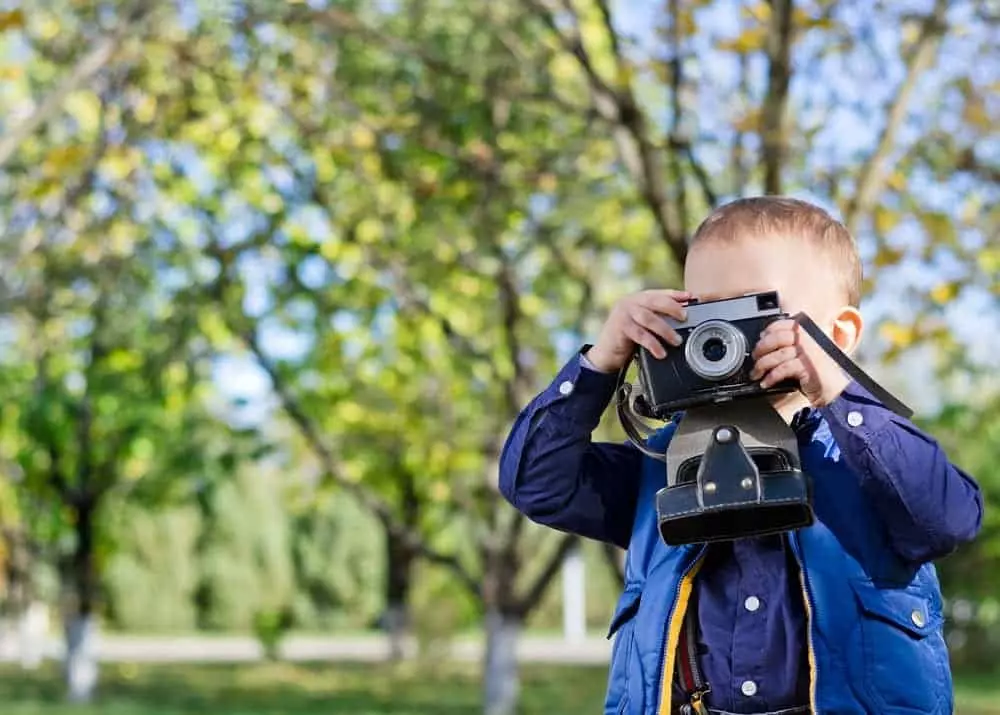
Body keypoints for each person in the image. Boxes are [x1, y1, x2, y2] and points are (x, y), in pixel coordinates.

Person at [498, 196, 983, 715]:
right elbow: (535, 482)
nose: (721, 336)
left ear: (839, 336)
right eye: (702, 313)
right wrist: (601, 362)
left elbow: (949, 517)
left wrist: (838, 394)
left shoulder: (874, 459)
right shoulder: (660, 464)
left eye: (754, 310)